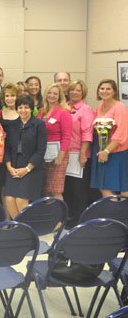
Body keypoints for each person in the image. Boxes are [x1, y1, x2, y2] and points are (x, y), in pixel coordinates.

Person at [4, 96, 47, 219]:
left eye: (26, 107)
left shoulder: (39, 125)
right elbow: (6, 149)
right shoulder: (12, 125)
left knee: (21, 200)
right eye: (20, 107)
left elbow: (40, 151)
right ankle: (20, 228)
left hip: (32, 168)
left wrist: (27, 169)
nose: (23, 110)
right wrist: (9, 166)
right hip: (13, 167)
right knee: (9, 199)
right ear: (17, 109)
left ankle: (26, 229)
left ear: (31, 109)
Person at [64, 80, 97, 227]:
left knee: (79, 190)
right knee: (68, 188)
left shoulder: (86, 109)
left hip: (79, 154)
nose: (74, 92)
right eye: (72, 90)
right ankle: (70, 217)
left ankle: (80, 220)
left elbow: (87, 133)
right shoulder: (64, 107)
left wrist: (83, 153)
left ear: (83, 92)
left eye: (78, 90)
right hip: (65, 154)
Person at [90, 79, 128, 196]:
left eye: (108, 89)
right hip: (101, 151)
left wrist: (107, 151)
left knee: (119, 186)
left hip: (116, 153)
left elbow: (121, 133)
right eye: (102, 88)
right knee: (103, 186)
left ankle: (120, 212)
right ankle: (112, 212)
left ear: (114, 91)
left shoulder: (120, 107)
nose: (104, 91)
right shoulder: (100, 106)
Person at [39, 83, 72, 200]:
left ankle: (60, 218)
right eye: (49, 93)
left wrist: (61, 156)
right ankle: (49, 217)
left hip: (58, 155)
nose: (52, 96)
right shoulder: (41, 111)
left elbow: (67, 137)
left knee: (56, 190)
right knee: (46, 189)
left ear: (60, 96)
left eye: (55, 94)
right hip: (44, 154)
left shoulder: (64, 112)